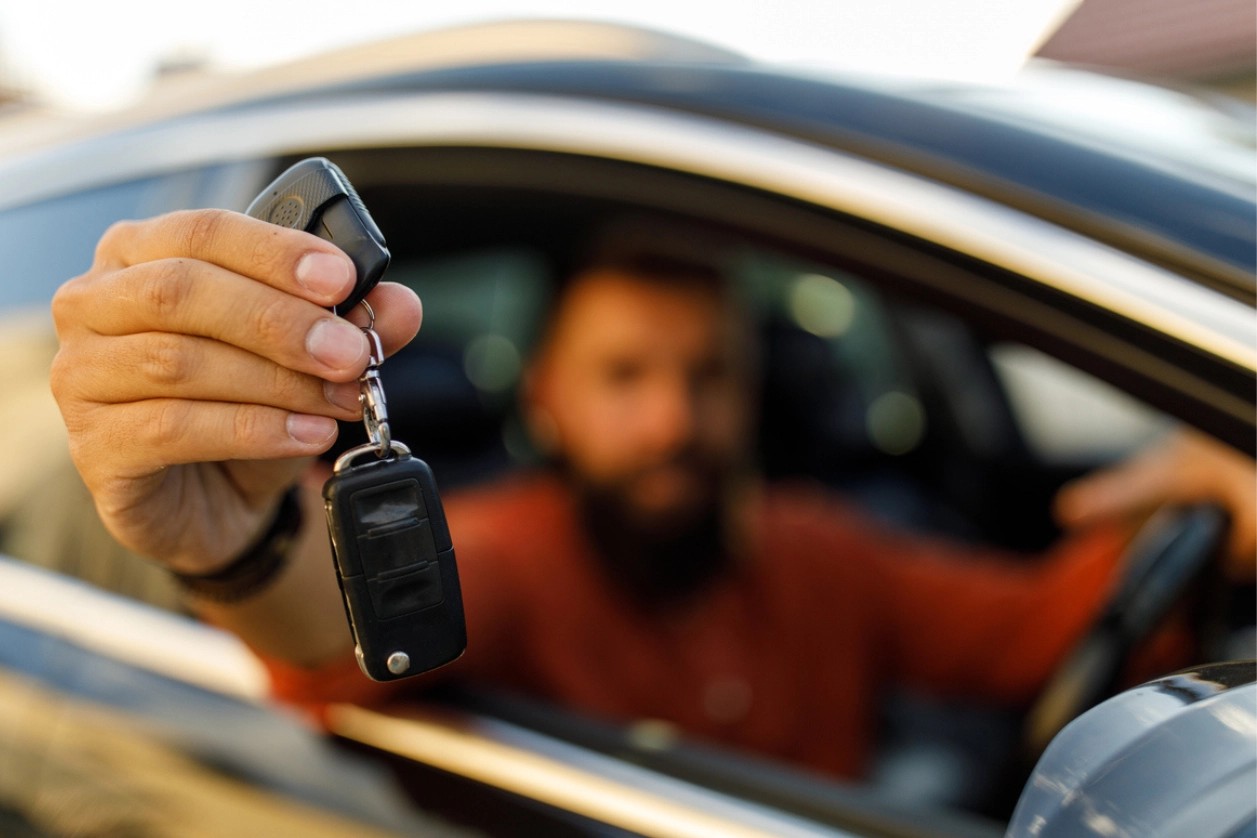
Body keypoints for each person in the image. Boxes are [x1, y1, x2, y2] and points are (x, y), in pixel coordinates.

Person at [49, 209, 1255, 781]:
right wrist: (240, 546)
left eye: (709, 374)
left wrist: (1217, 513)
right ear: (554, 403)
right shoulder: (514, 554)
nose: (675, 417)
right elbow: (334, 636)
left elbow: (1043, 629)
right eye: (625, 376)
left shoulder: (819, 552)